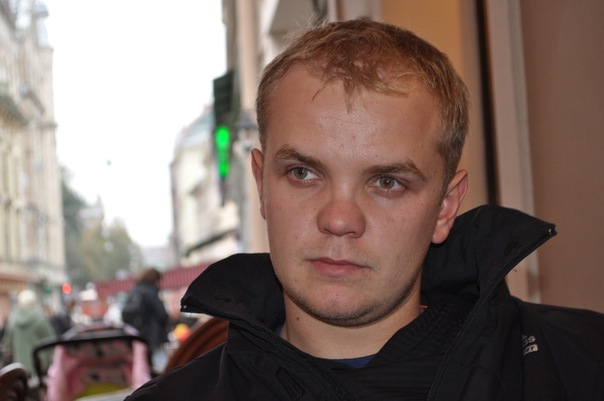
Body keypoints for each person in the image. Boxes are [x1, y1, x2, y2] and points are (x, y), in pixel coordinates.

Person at [127, 19, 604, 400]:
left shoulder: (583, 366)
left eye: (387, 182)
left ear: (444, 207)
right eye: (303, 173)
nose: (339, 220)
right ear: (261, 185)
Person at [122, 268, 170, 373]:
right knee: (163, 367)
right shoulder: (151, 292)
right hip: (153, 335)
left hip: (137, 336)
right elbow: (161, 314)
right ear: (155, 279)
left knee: (145, 366)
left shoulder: (134, 291)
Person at [2, 289, 55, 376]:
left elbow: (8, 344)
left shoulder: (13, 320)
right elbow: (51, 342)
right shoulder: (40, 318)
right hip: (39, 365)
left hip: (20, 367)